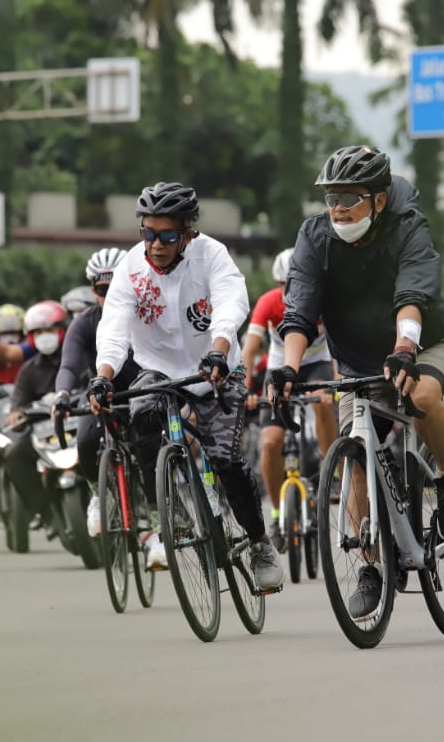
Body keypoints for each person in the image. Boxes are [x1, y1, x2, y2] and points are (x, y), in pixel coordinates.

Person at [271, 145, 444, 620]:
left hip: (422, 342)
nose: (338, 209)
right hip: (357, 359)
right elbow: (300, 308)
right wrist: (289, 369)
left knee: (421, 394)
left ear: (379, 201)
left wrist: (405, 348)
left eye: (350, 198)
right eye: (331, 198)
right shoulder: (314, 237)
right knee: (357, 452)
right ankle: (370, 568)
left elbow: (413, 293)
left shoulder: (408, 228)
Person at [90, 181, 284, 590]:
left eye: (168, 235)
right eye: (148, 233)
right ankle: (171, 515)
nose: (156, 245)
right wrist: (103, 377)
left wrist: (218, 349)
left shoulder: (212, 255)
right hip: (158, 368)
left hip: (213, 366)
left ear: (188, 234)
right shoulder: (130, 268)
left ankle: (259, 541)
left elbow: (231, 305)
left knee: (227, 461)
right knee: (140, 420)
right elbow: (114, 329)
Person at [241, 247, 337, 552]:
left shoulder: (324, 299)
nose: (289, 292)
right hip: (282, 365)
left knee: (322, 402)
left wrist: (334, 387)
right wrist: (246, 390)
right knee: (270, 443)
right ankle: (277, 512)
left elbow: (339, 345)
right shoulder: (268, 302)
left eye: (295, 283)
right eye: (283, 285)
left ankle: (330, 469)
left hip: (319, 359)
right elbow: (250, 348)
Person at [48, 248, 143, 545]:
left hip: (144, 388)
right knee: (86, 439)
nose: (111, 295)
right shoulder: (84, 323)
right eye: (103, 289)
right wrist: (61, 394)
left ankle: (164, 502)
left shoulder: (147, 314)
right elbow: (69, 364)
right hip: (102, 395)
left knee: (152, 440)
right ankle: (96, 495)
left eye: (118, 286)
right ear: (93, 290)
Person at [1, 301, 71, 529]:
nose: (45, 337)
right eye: (38, 332)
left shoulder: (77, 359)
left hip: (81, 424)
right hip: (44, 433)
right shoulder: (29, 370)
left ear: (63, 330)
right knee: (14, 455)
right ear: (30, 337)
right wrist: (15, 416)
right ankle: (45, 511)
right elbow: (18, 405)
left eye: (49, 330)